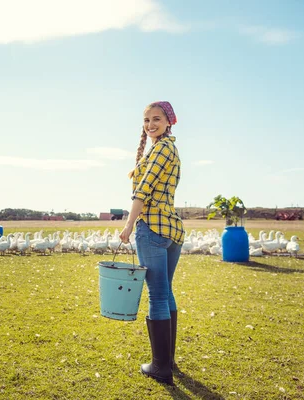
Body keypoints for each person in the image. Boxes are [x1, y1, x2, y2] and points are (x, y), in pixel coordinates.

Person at [119, 101, 184, 385]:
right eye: (146, 120)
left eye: (156, 119)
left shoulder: (162, 148)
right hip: (171, 230)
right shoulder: (169, 148)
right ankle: (167, 360)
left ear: (169, 121)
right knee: (165, 293)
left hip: (153, 229)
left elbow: (143, 190)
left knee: (157, 296)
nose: (150, 125)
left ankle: (160, 367)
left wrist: (128, 224)